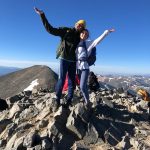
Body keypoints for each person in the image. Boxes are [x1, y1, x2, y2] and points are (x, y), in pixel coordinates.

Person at [34, 7, 86, 109]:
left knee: (71, 80)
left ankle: (69, 100)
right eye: (78, 24)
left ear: (82, 28)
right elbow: (50, 29)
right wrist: (42, 15)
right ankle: (57, 99)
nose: (79, 26)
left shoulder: (80, 37)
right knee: (61, 79)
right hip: (64, 59)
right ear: (76, 24)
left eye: (82, 25)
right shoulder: (66, 30)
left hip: (73, 61)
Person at [76, 28, 115, 105]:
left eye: (86, 34)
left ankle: (87, 102)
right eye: (83, 33)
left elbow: (98, 40)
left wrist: (106, 32)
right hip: (77, 68)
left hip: (85, 67)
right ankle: (84, 98)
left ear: (87, 36)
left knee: (82, 86)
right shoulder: (75, 42)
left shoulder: (89, 43)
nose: (84, 34)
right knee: (82, 85)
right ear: (80, 34)